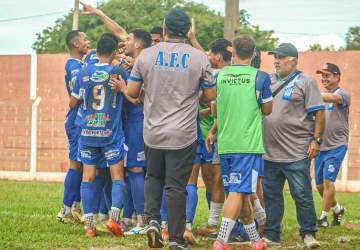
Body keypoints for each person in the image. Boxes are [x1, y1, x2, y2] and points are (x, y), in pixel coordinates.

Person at [125, 9, 216, 250]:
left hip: (153, 131)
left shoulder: (146, 56)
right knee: (176, 186)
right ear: (187, 31)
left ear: (164, 29)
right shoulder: (199, 58)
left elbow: (132, 92)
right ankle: (176, 240)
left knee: (153, 177)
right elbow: (210, 96)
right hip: (183, 134)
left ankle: (152, 221)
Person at [208, 35, 272, 250]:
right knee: (238, 193)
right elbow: (268, 110)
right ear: (254, 54)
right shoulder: (261, 78)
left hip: (225, 144)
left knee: (240, 193)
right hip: (248, 145)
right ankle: (221, 240)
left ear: (232, 52)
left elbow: (214, 110)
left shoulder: (220, 76)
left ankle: (255, 240)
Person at [262, 43, 325, 248]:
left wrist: (316, 140)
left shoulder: (306, 82)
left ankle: (308, 233)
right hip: (269, 152)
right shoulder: (268, 80)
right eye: (275, 57)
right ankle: (272, 235)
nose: (276, 61)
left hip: (296, 151)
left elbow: (319, 112)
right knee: (271, 196)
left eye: (280, 57)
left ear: (293, 60)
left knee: (302, 194)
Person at [70, 34, 127, 237]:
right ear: (113, 53)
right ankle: (113, 219)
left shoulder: (84, 72)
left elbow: (72, 102)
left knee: (89, 177)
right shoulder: (118, 72)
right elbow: (131, 94)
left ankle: (90, 226)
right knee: (117, 176)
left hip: (87, 132)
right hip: (110, 132)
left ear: (97, 50)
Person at [195, 38, 232, 238]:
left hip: (218, 133)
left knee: (220, 181)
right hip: (210, 133)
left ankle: (256, 222)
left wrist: (197, 112)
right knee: (213, 180)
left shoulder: (219, 76)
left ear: (218, 56)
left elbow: (216, 108)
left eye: (210, 53)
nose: (207, 56)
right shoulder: (219, 73)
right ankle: (214, 223)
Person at [57, 30, 90, 224]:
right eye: (85, 39)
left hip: (80, 120)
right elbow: (79, 93)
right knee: (76, 164)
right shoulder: (74, 66)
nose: (88, 42)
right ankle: (66, 209)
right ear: (76, 44)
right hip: (76, 120)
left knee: (82, 164)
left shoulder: (80, 64)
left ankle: (75, 207)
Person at [121, 28, 152, 234]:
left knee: (135, 170)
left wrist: (122, 88)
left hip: (138, 123)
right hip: (143, 123)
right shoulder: (146, 62)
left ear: (138, 44)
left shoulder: (140, 64)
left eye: (129, 39)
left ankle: (142, 221)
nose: (126, 41)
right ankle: (137, 217)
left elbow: (137, 98)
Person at [314, 63, 350, 227]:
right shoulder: (320, 98)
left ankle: (323, 218)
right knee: (320, 186)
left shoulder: (342, 94)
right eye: (322, 75)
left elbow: (333, 98)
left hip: (337, 146)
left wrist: (311, 94)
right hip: (321, 147)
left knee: (329, 182)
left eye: (327, 75)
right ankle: (337, 209)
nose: (324, 78)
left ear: (337, 77)